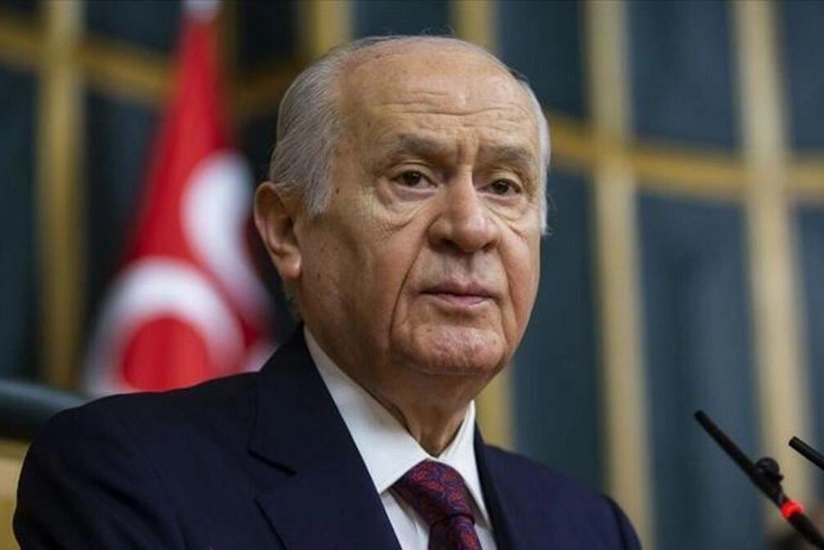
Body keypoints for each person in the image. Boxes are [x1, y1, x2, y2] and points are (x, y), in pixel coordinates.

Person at [14, 35, 641, 549]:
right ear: (288, 230)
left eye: (504, 187)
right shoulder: (127, 474)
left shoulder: (590, 530)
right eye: (413, 178)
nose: (471, 227)